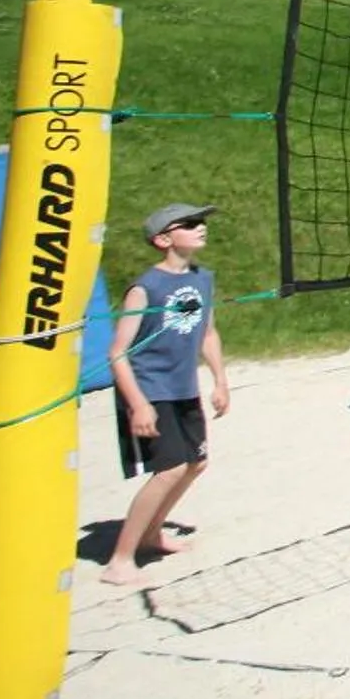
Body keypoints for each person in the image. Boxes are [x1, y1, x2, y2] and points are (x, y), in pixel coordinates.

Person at [103, 202, 230, 586]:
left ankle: (151, 534)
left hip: (183, 386)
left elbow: (207, 332)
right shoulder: (146, 288)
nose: (200, 227)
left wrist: (220, 381)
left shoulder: (202, 278)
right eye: (189, 224)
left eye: (201, 221)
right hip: (150, 388)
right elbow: (117, 352)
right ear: (163, 239)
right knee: (170, 468)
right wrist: (139, 404)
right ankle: (120, 560)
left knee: (196, 463)